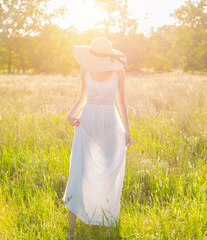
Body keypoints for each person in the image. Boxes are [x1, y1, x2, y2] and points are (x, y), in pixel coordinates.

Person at [62, 37, 132, 239]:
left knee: (109, 171)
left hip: (111, 123)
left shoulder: (119, 71)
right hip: (88, 123)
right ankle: (71, 230)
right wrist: (70, 114)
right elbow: (83, 97)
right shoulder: (85, 69)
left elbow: (122, 103)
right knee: (79, 171)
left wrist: (127, 130)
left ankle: (106, 223)